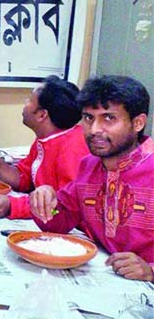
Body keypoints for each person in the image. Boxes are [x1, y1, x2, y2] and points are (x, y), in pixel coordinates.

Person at [30, 75, 154, 282]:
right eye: (88, 118)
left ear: (138, 123)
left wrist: (151, 271)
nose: (95, 129)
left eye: (109, 118)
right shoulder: (89, 167)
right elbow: (57, 221)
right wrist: (44, 200)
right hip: (105, 281)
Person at [0, 76, 89, 219]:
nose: (25, 103)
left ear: (42, 115)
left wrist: (12, 206)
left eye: (29, 99)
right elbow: (25, 178)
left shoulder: (74, 148)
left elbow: (66, 206)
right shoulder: (47, 138)